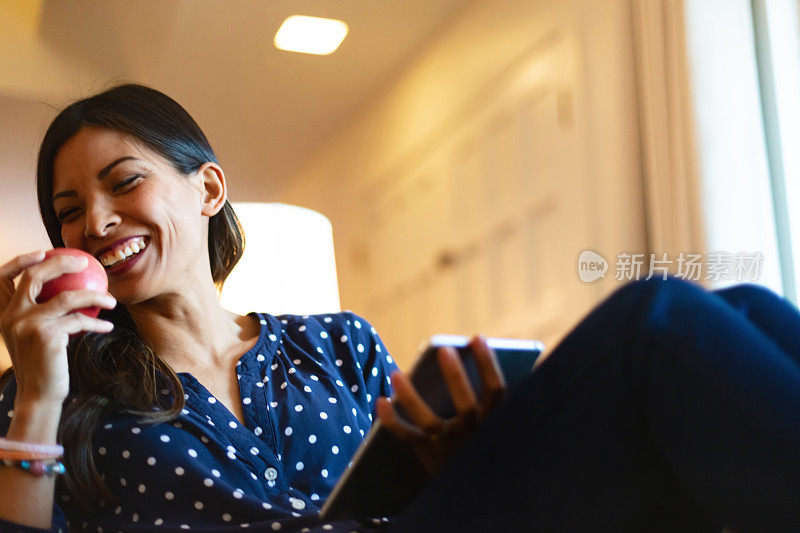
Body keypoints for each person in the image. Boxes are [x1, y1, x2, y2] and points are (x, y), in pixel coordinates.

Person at [0, 83, 798, 533]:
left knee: (747, 310)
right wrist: (37, 392)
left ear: (207, 188)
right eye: (69, 209)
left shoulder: (337, 342)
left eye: (124, 182)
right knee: (655, 319)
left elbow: (425, 497)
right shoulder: (52, 393)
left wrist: (449, 452)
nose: (95, 222)